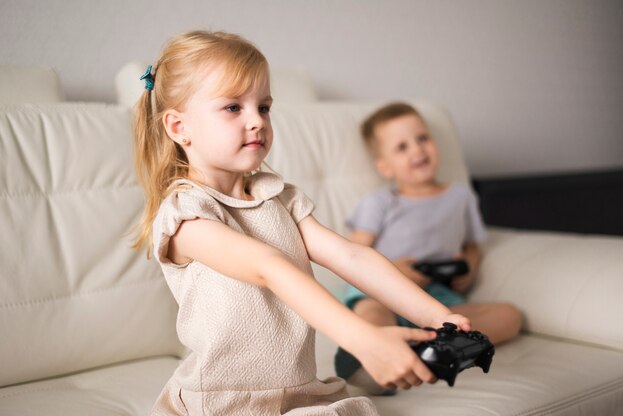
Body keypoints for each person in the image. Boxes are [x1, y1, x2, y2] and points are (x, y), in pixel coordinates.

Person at [132, 30, 472, 415]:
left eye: (263, 107)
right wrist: (365, 341)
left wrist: (435, 315)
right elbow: (268, 268)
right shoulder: (184, 215)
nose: (256, 121)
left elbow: (352, 257)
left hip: (301, 393)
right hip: (224, 401)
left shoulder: (279, 197)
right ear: (179, 127)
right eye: (233, 108)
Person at [336, 102, 522, 394]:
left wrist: (471, 267)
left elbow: (472, 245)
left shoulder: (460, 196)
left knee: (510, 316)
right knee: (372, 313)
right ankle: (372, 359)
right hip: (382, 291)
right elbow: (351, 257)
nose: (417, 150)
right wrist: (394, 271)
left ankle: (432, 352)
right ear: (384, 166)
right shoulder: (380, 202)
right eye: (402, 147)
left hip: (436, 298)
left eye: (422, 139)